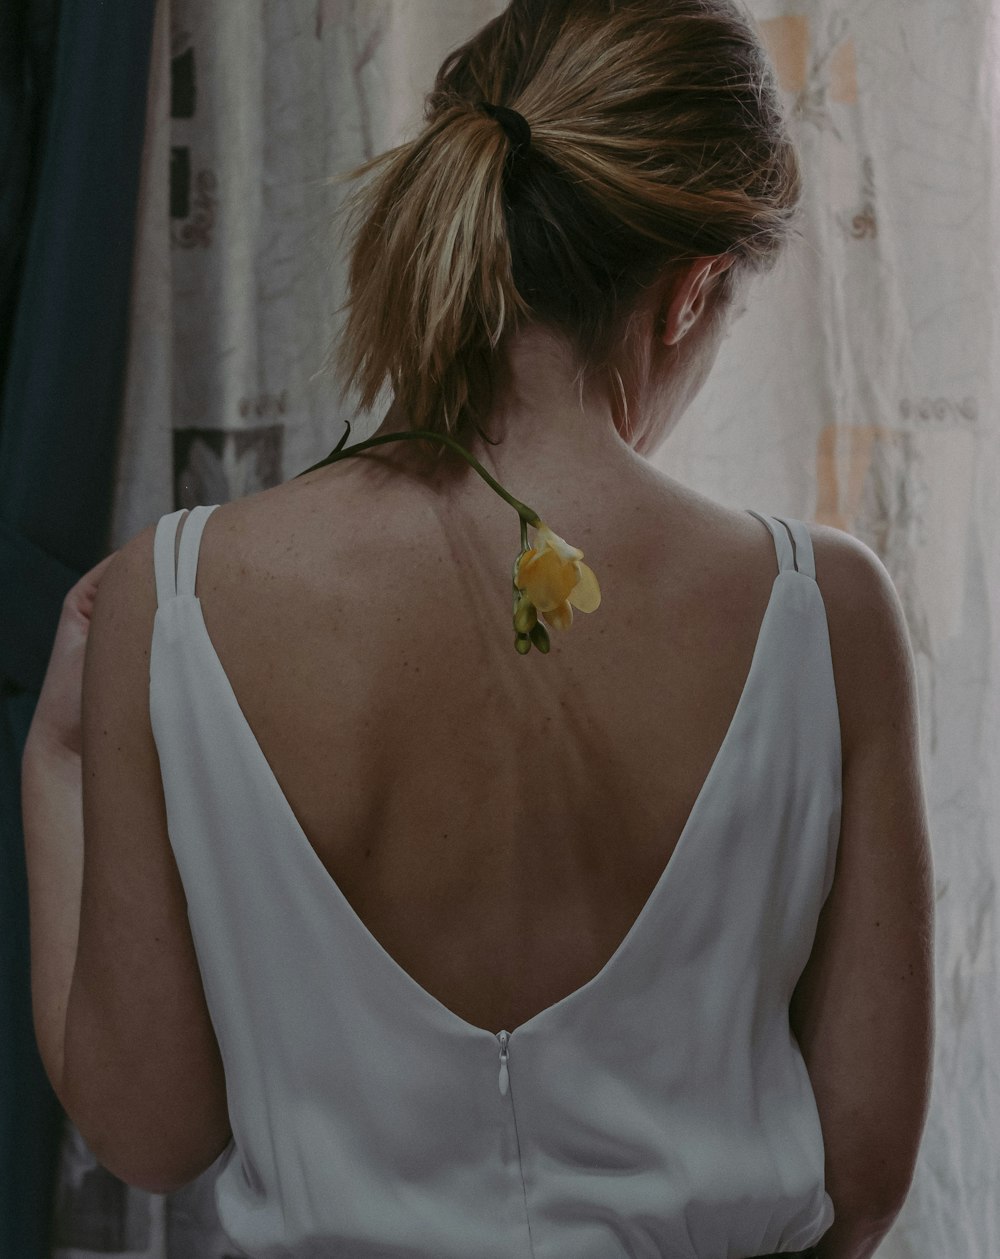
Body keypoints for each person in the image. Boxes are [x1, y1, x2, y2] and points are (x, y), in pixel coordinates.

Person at [36, 2, 934, 1256]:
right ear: (690, 295)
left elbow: (150, 1128)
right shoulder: (826, 614)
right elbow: (864, 1170)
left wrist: (59, 760)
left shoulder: (172, 598)